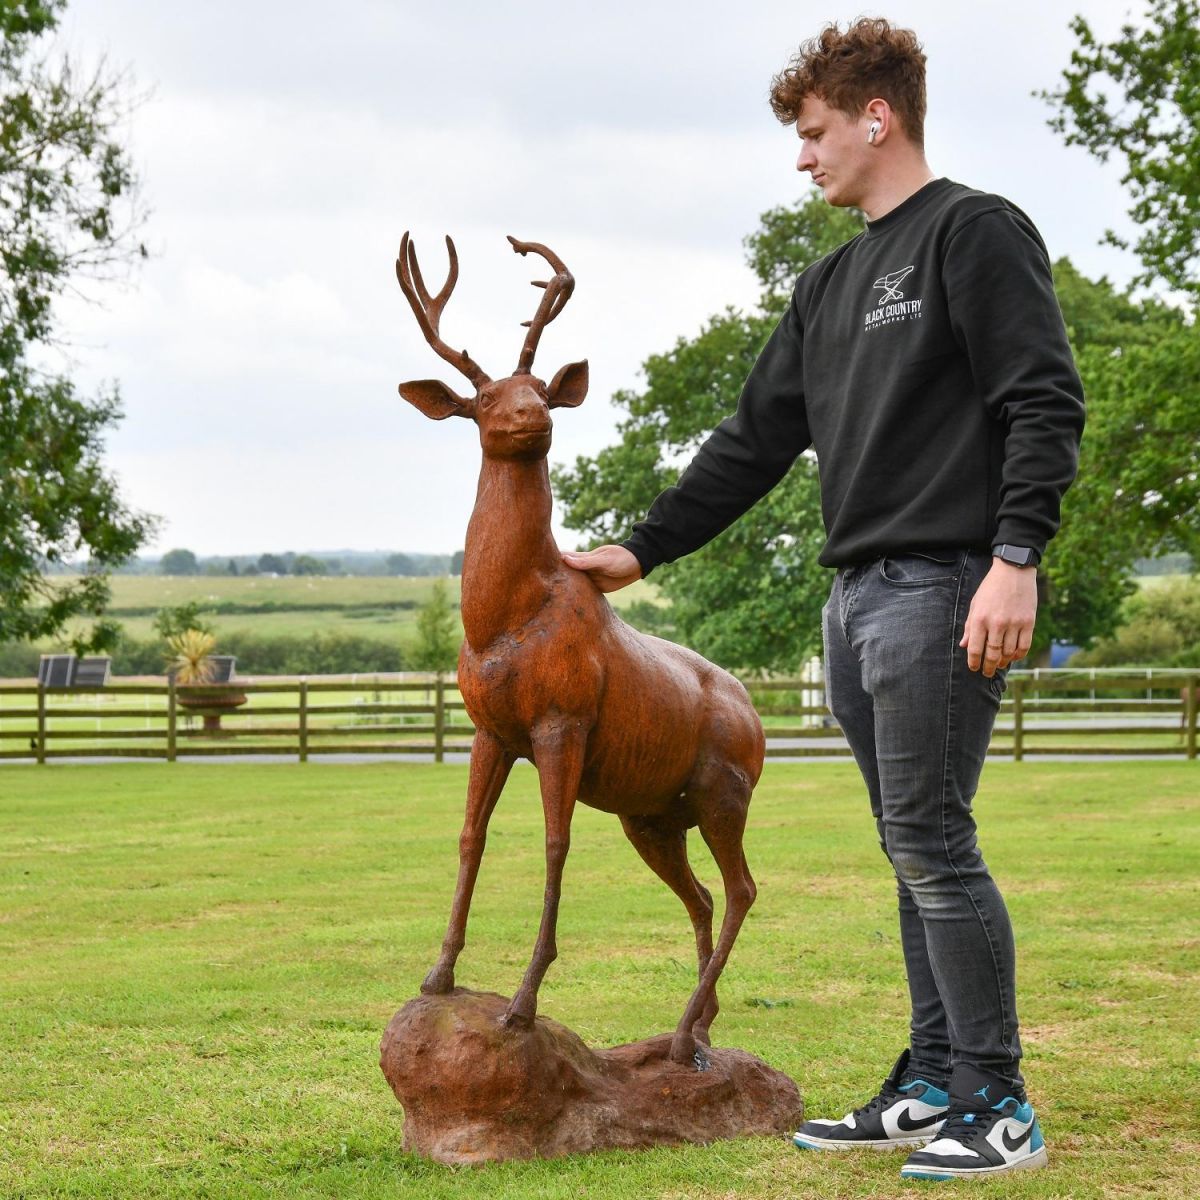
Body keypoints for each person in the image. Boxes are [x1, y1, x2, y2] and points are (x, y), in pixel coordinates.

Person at [562, 16, 1084, 1184]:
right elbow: (754, 441)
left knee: (934, 842)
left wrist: (1017, 555)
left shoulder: (975, 233)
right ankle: (936, 1079)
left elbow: (1043, 400)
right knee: (913, 847)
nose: (803, 158)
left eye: (812, 133)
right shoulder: (834, 278)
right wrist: (640, 550)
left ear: (876, 116)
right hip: (856, 598)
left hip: (946, 582)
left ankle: (997, 1101)